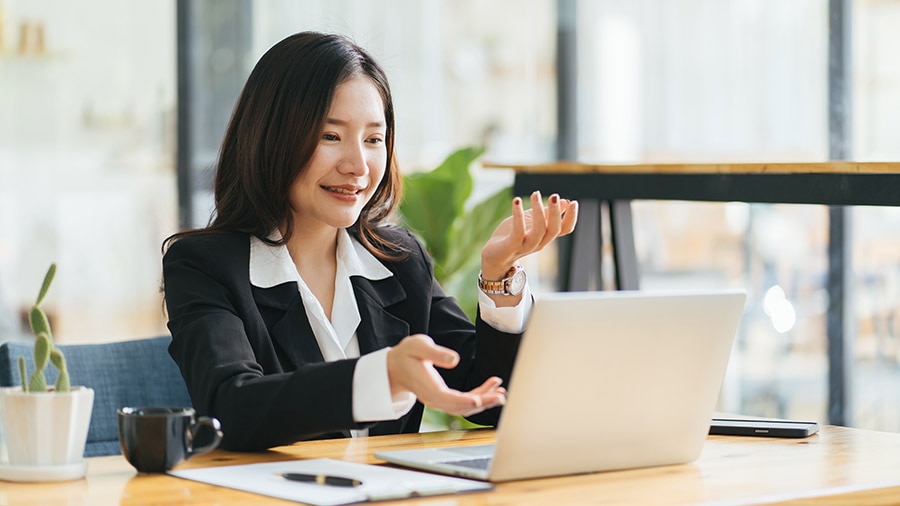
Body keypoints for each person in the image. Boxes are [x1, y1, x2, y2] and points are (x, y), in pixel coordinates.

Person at [162, 31, 578, 451]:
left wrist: (499, 278)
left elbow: (494, 403)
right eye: (331, 136)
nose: (358, 165)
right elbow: (230, 409)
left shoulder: (399, 260)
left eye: (373, 139)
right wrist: (381, 377)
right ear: (272, 137)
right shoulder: (204, 266)